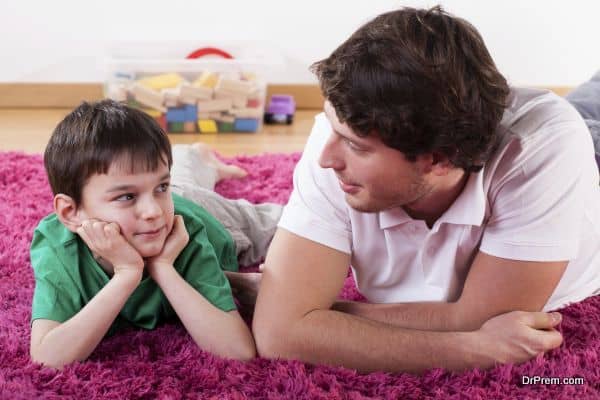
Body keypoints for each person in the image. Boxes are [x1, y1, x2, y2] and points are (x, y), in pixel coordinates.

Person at [250, 6, 600, 374]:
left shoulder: (541, 151)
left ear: (440, 159)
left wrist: (312, 312)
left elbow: (478, 318)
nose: (325, 158)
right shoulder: (342, 136)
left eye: (357, 146)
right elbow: (279, 333)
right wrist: (471, 350)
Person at [29, 100, 281, 369]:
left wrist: (162, 266)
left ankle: (197, 158)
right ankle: (197, 159)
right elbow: (47, 357)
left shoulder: (185, 231)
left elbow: (237, 350)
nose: (152, 212)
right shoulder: (57, 246)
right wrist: (126, 273)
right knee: (178, 177)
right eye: (125, 196)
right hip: (172, 197)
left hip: (202, 211)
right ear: (70, 213)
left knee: (286, 226)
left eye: (162, 186)